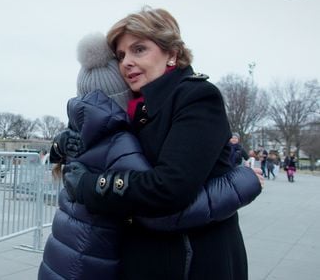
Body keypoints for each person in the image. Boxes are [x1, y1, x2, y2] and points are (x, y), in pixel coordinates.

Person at [39, 33, 263, 280]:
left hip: (70, 257)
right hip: (88, 261)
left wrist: (221, 154)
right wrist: (240, 181)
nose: (127, 64)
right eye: (122, 55)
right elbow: (165, 209)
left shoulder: (82, 132)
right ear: (121, 96)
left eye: (138, 50)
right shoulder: (116, 140)